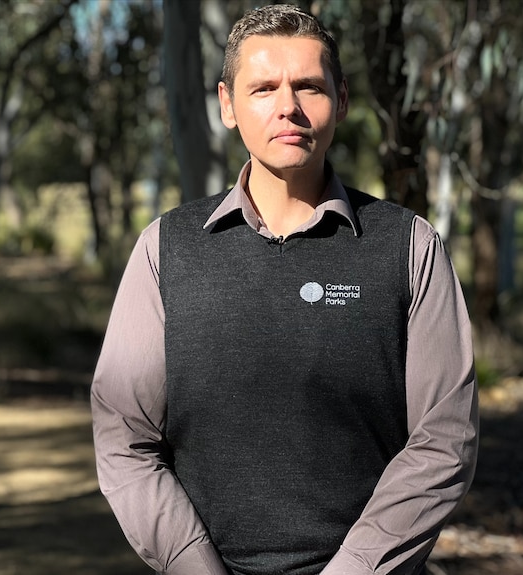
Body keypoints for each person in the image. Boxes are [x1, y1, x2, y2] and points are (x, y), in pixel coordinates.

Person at [91, 4, 478, 575]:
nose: (288, 108)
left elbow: (444, 439)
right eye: (264, 88)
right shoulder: (165, 249)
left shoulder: (409, 246)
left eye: (309, 87)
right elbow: (124, 435)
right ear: (227, 104)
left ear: (341, 100)